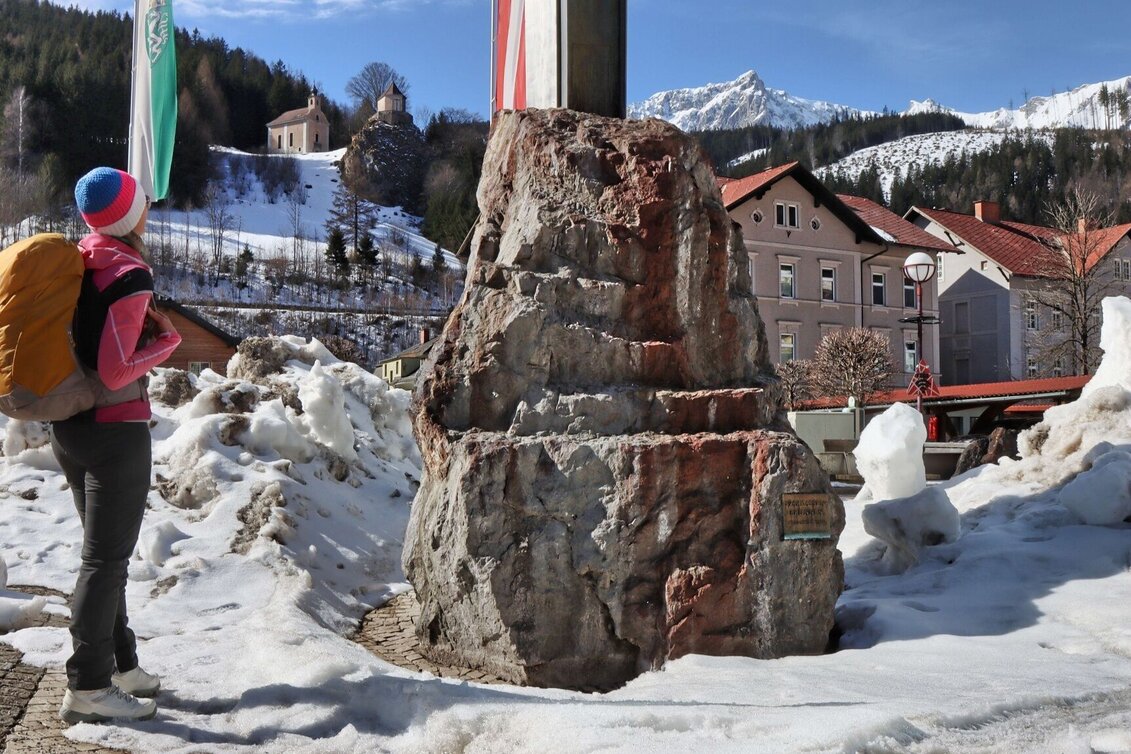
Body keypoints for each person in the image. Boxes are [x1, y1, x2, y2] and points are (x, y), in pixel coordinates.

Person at [54, 167, 181, 724]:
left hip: (71, 428)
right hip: (115, 431)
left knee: (106, 558)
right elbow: (114, 369)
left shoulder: (80, 258)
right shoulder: (129, 273)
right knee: (104, 562)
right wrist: (168, 343)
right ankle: (87, 685)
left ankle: (122, 666)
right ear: (132, 217)